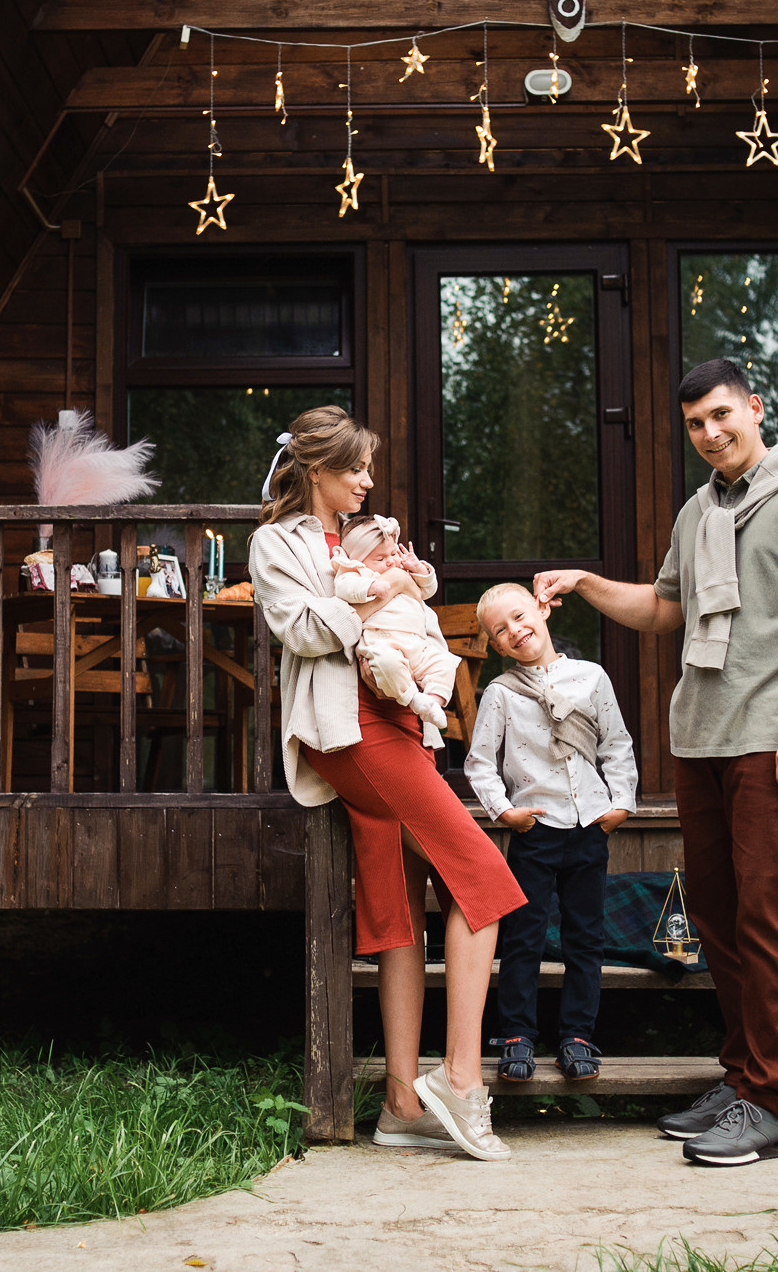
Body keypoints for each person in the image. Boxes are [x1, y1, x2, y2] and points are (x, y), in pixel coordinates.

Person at [533, 358, 778, 1167]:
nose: (710, 433)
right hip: (703, 738)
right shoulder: (699, 511)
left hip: (772, 738)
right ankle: (741, 1078)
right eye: (695, 424)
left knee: (768, 915)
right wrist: (584, 581)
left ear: (756, 408)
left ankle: (770, 1101)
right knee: (718, 920)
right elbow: (664, 607)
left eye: (722, 415)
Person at [249, 406, 529, 1162]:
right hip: (350, 728)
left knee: (398, 905)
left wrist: (394, 583)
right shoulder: (277, 541)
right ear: (316, 469)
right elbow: (302, 628)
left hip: (401, 719)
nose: (368, 482)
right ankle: (463, 1080)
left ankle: (403, 1101)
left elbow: (409, 608)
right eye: (356, 469)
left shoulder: (372, 535)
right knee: (483, 876)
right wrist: (374, 594)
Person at [464, 583, 636, 1085]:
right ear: (497, 646)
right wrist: (503, 812)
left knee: (586, 937)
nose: (516, 631)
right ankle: (517, 1035)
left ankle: (577, 1035)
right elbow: (480, 764)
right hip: (535, 830)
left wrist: (621, 801)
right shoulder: (500, 693)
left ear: (541, 610)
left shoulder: (591, 678)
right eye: (502, 630)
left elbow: (616, 744)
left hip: (588, 826)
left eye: (520, 616)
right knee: (524, 937)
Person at [329, 513, 457, 729]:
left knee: (445, 662)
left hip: (416, 641)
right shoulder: (357, 572)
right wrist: (369, 587)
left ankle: (434, 703)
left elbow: (427, 591)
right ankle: (414, 699)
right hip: (382, 641)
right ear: (358, 560)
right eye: (380, 559)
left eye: (392, 553)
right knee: (386, 664)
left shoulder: (399, 569)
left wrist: (418, 569)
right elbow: (343, 587)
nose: (390, 561)